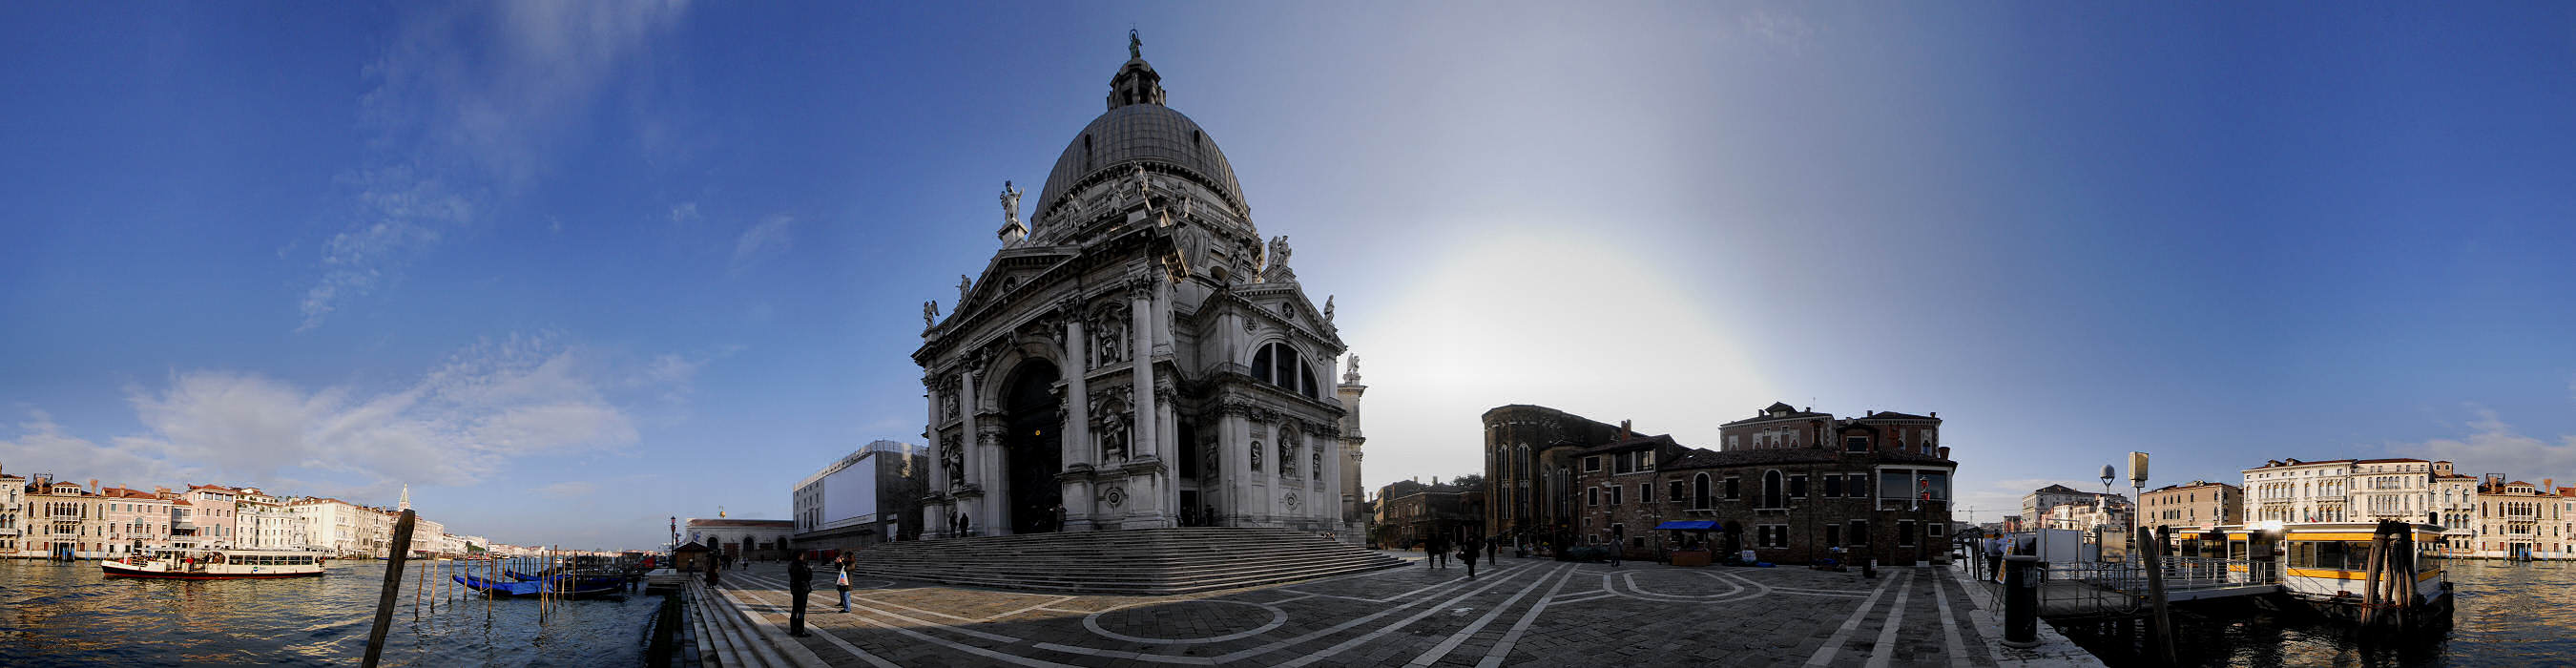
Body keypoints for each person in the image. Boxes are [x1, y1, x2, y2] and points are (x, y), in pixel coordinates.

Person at [786, 553, 813, 637]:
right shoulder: (801, 565)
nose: (803, 557)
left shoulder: (791, 565)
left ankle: (793, 630)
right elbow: (808, 577)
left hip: (795, 589)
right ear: (800, 556)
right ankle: (801, 631)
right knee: (801, 610)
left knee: (795, 610)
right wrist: (810, 569)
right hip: (802, 589)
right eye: (802, 555)